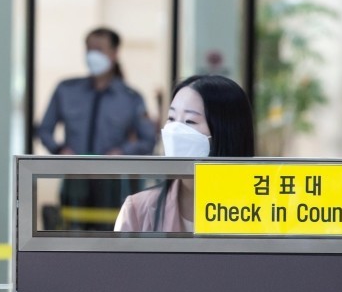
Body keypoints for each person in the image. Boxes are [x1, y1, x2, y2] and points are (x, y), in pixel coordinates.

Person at [37, 27, 156, 229]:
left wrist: (122, 152)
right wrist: (59, 150)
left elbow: (148, 140)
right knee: (73, 240)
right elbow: (44, 129)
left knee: (109, 239)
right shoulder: (66, 90)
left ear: (114, 53)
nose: (93, 54)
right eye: (89, 48)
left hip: (112, 183)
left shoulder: (130, 98)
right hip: (75, 179)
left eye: (99, 48)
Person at [114, 74, 255, 232]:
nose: (174, 131)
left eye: (190, 121)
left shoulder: (265, 212)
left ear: (226, 133)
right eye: (171, 118)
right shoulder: (138, 210)